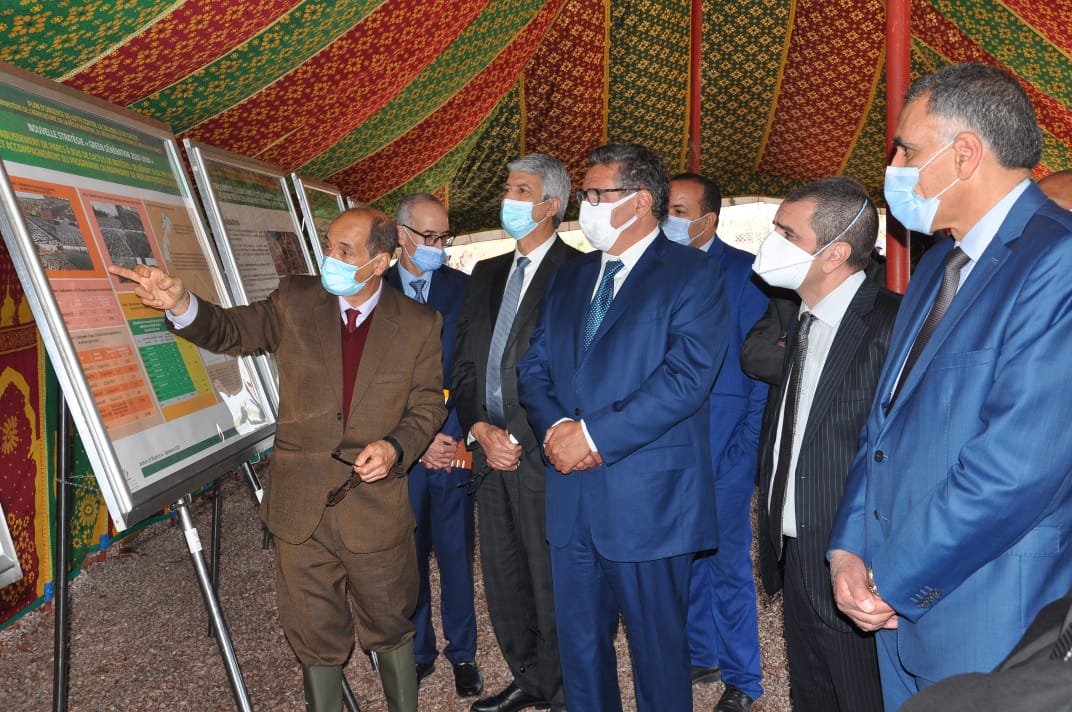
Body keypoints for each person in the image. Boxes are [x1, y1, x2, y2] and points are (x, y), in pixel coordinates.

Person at [109, 208, 446, 712]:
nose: (330, 258)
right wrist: (180, 303)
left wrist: (396, 446)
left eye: (345, 251)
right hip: (299, 508)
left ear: (380, 263)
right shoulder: (296, 299)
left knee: (391, 625)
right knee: (312, 633)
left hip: (375, 510)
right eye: (328, 245)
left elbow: (427, 405)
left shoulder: (418, 324)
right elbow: (231, 330)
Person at [828, 62, 1072, 711]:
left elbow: (1015, 470)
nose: (895, 167)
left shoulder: (1058, 260)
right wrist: (850, 547)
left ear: (964, 154)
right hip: (897, 604)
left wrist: (893, 578)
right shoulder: (939, 263)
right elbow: (883, 427)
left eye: (907, 150)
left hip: (988, 616)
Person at [517, 143, 730, 712]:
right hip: (571, 498)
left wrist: (591, 436)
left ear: (639, 201)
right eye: (585, 194)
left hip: (649, 505)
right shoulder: (571, 276)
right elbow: (534, 365)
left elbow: (685, 379)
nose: (584, 205)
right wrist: (557, 428)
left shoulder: (694, 274)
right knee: (581, 653)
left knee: (658, 657)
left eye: (595, 194)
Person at [753, 177, 897, 712]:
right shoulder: (804, 315)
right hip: (796, 549)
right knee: (812, 695)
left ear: (834, 253)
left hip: (855, 560)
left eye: (787, 234)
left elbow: (896, 456)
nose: (771, 244)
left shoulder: (891, 323)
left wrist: (870, 562)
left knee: (861, 698)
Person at [452, 153, 579, 712]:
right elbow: (463, 364)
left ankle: (565, 689)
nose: (508, 198)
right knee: (503, 574)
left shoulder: (580, 273)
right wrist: (478, 427)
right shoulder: (485, 273)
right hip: (488, 450)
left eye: (520, 190)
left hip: (542, 454)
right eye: (508, 187)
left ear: (551, 206)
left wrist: (522, 438)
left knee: (550, 576)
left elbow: (576, 374)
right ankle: (527, 677)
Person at [665, 172, 768, 711]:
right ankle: (700, 653)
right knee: (683, 558)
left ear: (709, 219)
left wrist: (743, 454)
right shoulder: (657, 269)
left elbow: (762, 374)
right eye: (665, 208)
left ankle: (744, 679)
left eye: (679, 211)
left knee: (728, 565)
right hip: (668, 447)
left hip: (726, 447)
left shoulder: (748, 275)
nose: (668, 219)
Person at [385, 193, 482, 698]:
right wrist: (415, 442)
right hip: (403, 451)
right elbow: (374, 384)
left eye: (445, 237)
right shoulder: (374, 292)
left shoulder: (464, 290)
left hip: (453, 444)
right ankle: (419, 651)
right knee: (409, 553)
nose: (438, 246)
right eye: (429, 237)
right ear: (402, 235)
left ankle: (463, 653)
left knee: (456, 552)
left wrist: (454, 434)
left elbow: (472, 369)